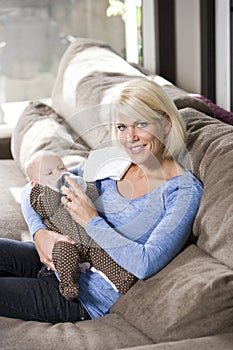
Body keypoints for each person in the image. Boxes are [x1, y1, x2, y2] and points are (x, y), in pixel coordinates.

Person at [0, 77, 203, 323]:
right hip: (53, 257)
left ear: (166, 123)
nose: (130, 138)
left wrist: (91, 220)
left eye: (141, 124)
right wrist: (39, 234)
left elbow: (145, 263)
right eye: (122, 127)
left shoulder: (182, 191)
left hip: (83, 296)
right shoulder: (113, 159)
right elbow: (32, 189)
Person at [25, 151, 137, 301]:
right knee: (63, 254)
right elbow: (44, 208)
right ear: (35, 183)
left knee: (103, 254)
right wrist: (54, 189)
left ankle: (123, 279)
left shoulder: (75, 181)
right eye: (49, 173)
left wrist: (83, 187)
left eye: (61, 168)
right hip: (66, 241)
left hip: (89, 239)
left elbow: (94, 196)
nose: (59, 174)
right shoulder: (38, 194)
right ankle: (69, 285)